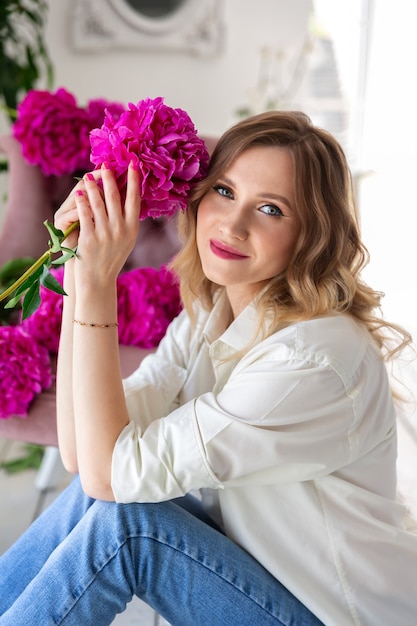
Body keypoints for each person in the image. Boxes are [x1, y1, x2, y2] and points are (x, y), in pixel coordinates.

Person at [0, 110, 416, 625]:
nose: (233, 224)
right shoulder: (210, 318)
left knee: (129, 527)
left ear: (311, 236)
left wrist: (98, 283)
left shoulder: (312, 358)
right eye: (224, 191)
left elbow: (111, 476)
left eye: (270, 209)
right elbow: (81, 454)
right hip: (269, 583)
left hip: (334, 617)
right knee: (103, 504)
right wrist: (77, 266)